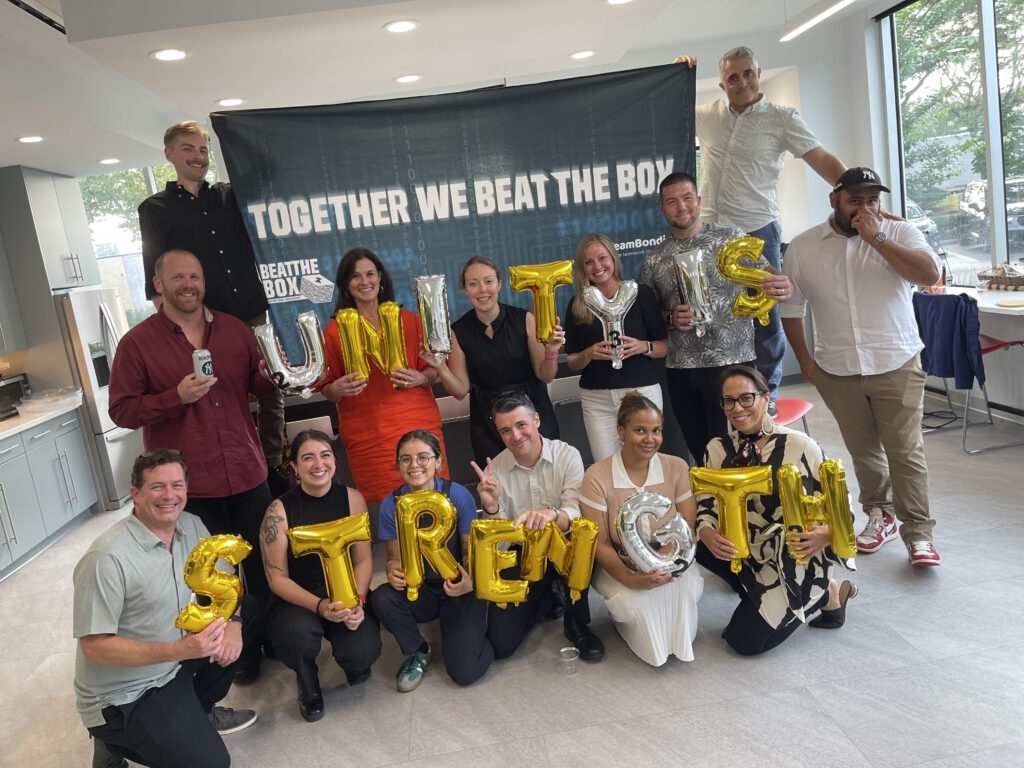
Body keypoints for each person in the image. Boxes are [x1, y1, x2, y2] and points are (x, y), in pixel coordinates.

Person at [108, 249, 276, 680]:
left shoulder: (236, 331)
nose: (188, 284)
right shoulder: (137, 344)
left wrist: (270, 372)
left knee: (261, 566)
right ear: (158, 283)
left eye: (195, 276)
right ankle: (231, 660)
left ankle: (266, 640)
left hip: (245, 471)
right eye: (178, 276)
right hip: (191, 487)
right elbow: (122, 411)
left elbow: (258, 387)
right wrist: (174, 398)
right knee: (207, 581)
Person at [780, 168, 942, 566]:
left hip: (896, 360)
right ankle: (879, 513)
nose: (865, 209)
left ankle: (918, 533)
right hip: (837, 368)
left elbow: (928, 274)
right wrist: (805, 360)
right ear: (834, 200)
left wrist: (878, 239)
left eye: (873, 200)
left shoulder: (899, 233)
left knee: (905, 451)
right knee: (864, 451)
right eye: (856, 200)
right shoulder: (803, 247)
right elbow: (790, 305)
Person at [674, 48, 847, 405]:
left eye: (748, 73)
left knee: (765, 318)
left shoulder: (782, 118)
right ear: (722, 84)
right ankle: (729, 395)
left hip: (756, 231)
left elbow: (822, 159)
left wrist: (858, 193)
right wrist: (677, 77)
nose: (742, 82)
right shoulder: (707, 116)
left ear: (759, 73)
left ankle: (765, 396)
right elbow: (665, 114)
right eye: (733, 77)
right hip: (710, 235)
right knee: (715, 314)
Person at [73, 450, 258, 768]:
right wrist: (178, 650)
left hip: (175, 659)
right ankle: (112, 740)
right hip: (126, 694)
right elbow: (95, 648)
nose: (169, 495)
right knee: (212, 764)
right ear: (136, 495)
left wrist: (235, 624)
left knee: (246, 618)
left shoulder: (193, 525)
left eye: (177, 485)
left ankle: (197, 715)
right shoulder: (106, 558)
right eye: (157, 487)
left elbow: (227, 580)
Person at [139, 120, 285, 481]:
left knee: (271, 386)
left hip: (252, 313)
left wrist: (238, 132)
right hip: (204, 321)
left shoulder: (230, 196)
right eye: (188, 148)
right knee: (213, 394)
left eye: (203, 150)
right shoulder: (155, 208)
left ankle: (271, 465)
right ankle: (218, 468)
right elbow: (155, 279)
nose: (198, 156)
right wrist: (176, 331)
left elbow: (273, 170)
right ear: (169, 155)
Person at [697, 366, 858, 655]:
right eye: (729, 401)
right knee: (698, 544)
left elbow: (842, 503)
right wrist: (707, 532)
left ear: (765, 397)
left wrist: (826, 534)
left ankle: (825, 593)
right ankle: (758, 595)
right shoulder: (716, 448)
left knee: (743, 643)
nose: (737, 408)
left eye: (746, 398)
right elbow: (707, 503)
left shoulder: (800, 445)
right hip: (745, 551)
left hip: (794, 554)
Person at [639, 172, 793, 465]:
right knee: (703, 454)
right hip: (682, 369)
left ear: (698, 200)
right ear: (662, 209)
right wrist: (671, 317)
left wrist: (786, 284)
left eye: (686, 198)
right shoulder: (655, 259)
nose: (681, 206)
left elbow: (770, 276)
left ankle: (749, 510)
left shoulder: (731, 239)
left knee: (742, 451)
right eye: (671, 201)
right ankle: (715, 509)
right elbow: (649, 316)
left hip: (732, 364)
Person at [259, 430, 381, 722]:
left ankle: (352, 659)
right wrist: (318, 606)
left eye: (325, 455)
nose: (318, 464)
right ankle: (307, 680)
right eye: (307, 457)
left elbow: (363, 560)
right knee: (296, 638)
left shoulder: (353, 499)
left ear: (335, 461)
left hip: (345, 590)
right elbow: (276, 578)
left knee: (362, 654)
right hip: (299, 597)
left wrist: (359, 601)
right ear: (295, 468)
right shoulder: (279, 510)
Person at [472, 394, 605, 662]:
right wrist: (490, 506)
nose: (516, 436)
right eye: (505, 430)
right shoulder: (494, 470)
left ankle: (576, 621)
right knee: (501, 643)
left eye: (521, 425)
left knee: (584, 543)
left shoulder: (568, 455)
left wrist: (552, 514)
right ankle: (546, 597)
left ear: (536, 420)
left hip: (565, 547)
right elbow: (500, 545)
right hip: (525, 555)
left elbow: (577, 514)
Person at [578, 392, 703, 666]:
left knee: (686, 589)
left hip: (671, 560)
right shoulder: (596, 477)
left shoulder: (677, 467)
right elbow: (599, 543)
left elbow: (687, 525)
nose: (650, 439)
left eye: (656, 431)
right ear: (620, 431)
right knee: (632, 604)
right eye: (640, 430)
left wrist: (664, 564)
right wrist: (630, 577)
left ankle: (676, 638)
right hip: (619, 564)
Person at [321, 248, 448, 504]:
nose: (364, 281)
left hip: (418, 423)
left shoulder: (409, 320)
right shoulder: (334, 332)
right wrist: (338, 388)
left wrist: (422, 378)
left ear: (380, 278)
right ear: (346, 285)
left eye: (370, 274)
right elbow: (326, 387)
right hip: (369, 437)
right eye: (356, 277)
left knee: (435, 502)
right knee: (387, 512)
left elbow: (436, 368)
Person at [371, 430, 493, 691]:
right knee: (381, 598)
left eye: (423, 457)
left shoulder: (457, 495)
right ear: (398, 465)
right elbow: (393, 559)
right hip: (421, 588)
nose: (414, 465)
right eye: (406, 459)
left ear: (438, 462)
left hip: (458, 586)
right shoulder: (390, 505)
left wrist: (469, 582)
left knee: (464, 672)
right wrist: (393, 570)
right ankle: (418, 649)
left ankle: (476, 632)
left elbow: (470, 549)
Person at [427, 256, 562, 466]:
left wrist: (552, 352)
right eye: (473, 283)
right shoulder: (458, 331)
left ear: (499, 283)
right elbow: (460, 390)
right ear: (465, 289)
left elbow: (546, 375)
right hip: (488, 424)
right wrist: (440, 368)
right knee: (500, 487)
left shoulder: (525, 319)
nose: (482, 289)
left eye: (488, 281)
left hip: (532, 412)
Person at [565, 233, 668, 462]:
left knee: (646, 462)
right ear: (582, 268)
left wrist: (643, 346)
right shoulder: (577, 304)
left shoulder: (641, 294)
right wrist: (589, 353)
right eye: (588, 262)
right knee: (607, 466)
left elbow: (664, 347)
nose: (597, 266)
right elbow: (572, 361)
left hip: (642, 392)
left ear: (613, 258)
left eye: (602, 258)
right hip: (597, 398)